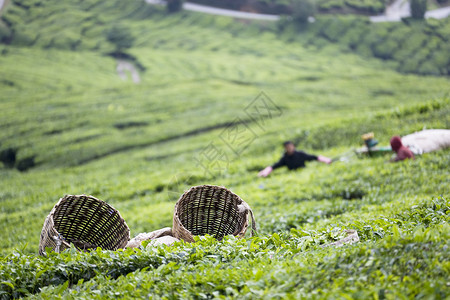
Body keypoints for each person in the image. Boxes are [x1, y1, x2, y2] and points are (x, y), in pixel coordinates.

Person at [258, 141, 332, 177]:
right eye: (287, 147)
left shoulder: (300, 154)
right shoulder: (285, 158)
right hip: (293, 175)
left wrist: (326, 160)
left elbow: (313, 157)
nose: (289, 148)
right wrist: (265, 171)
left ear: (293, 146)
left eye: (290, 146)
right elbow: (275, 166)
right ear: (285, 148)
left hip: (304, 173)